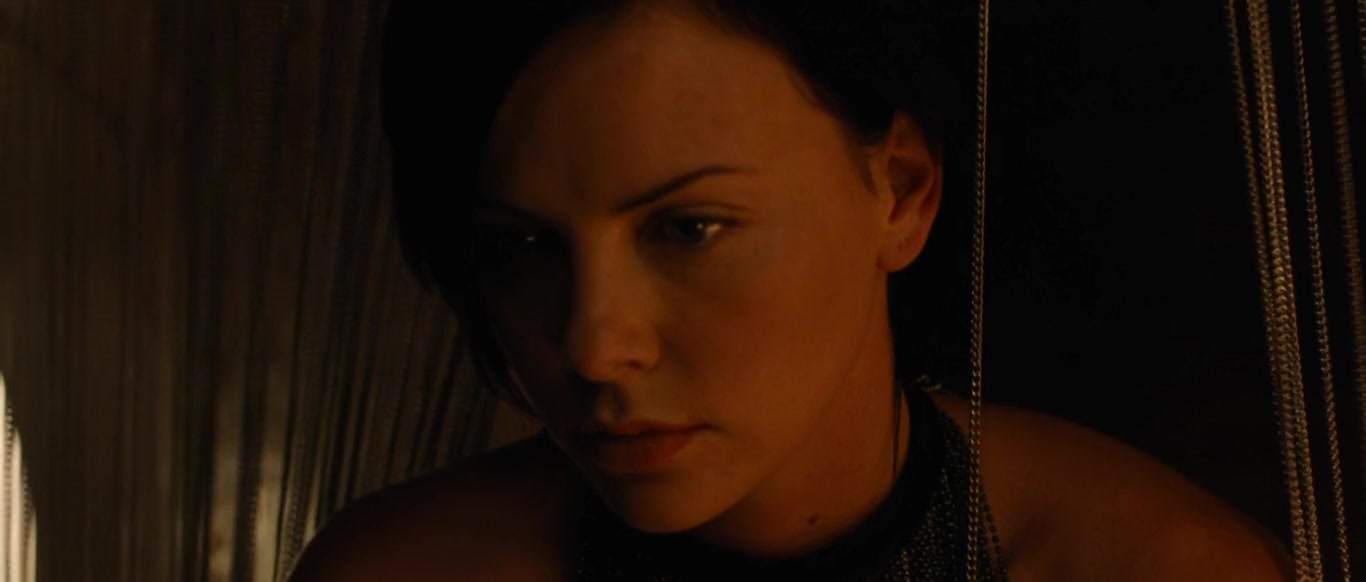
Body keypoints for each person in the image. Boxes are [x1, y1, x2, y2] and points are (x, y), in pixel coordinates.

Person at [289, 1, 1292, 579]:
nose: (595, 345)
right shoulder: (406, 570)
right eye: (521, 245)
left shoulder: (1156, 567)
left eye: (689, 229)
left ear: (900, 191)